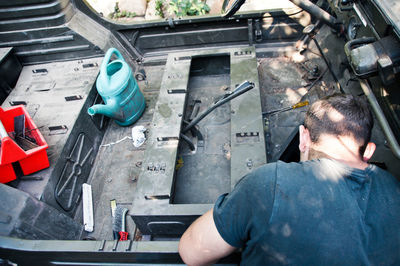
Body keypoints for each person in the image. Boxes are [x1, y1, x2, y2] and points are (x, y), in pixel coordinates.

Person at [178, 93, 400, 265]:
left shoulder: (270, 184)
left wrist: (235, 208)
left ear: (303, 138)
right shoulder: (394, 189)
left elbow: (191, 253)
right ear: (369, 151)